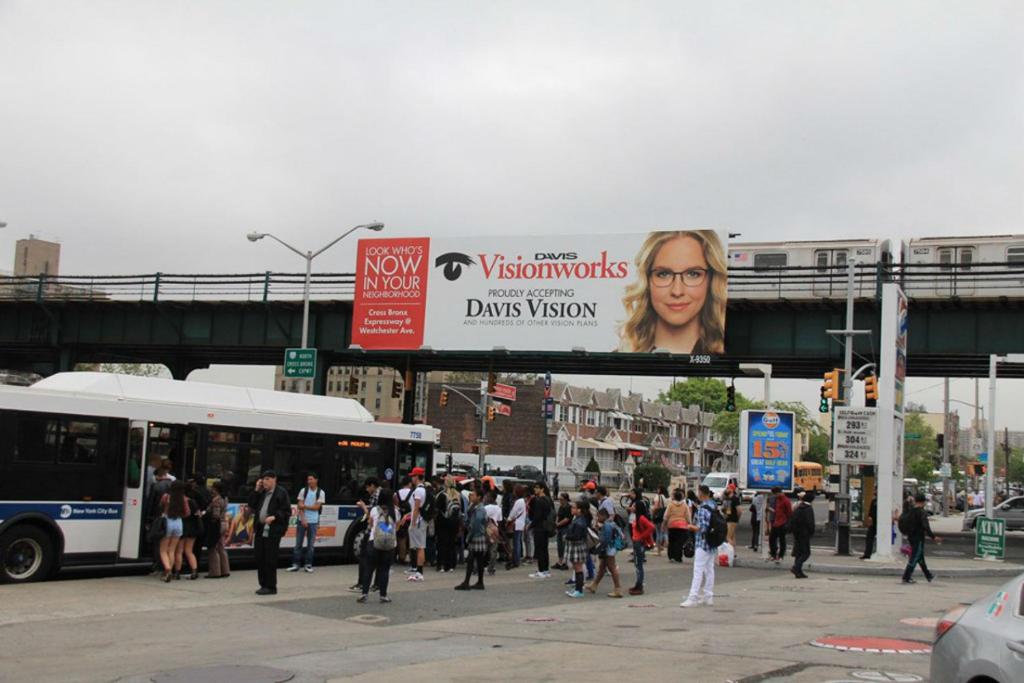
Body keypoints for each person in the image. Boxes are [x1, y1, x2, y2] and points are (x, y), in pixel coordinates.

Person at [618, 230, 728, 354]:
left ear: (712, 280)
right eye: (663, 274)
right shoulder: (617, 361)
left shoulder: (726, 360)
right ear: (646, 281)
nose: (677, 291)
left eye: (693, 274)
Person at [248, 470, 291, 595]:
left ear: (274, 479)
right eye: (263, 479)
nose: (264, 482)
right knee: (259, 557)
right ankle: (263, 584)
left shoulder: (281, 493)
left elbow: (286, 511)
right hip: (261, 528)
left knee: (270, 558)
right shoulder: (262, 492)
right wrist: (256, 490)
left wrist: (275, 517)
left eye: (267, 479)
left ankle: (271, 586)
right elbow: (251, 504)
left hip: (273, 530)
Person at [681, 485, 719, 608]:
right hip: (712, 543)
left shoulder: (703, 508)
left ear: (701, 493)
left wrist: (691, 527)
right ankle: (708, 597)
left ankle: (693, 597)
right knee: (709, 570)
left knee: (698, 571)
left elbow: (702, 528)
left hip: (702, 543)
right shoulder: (713, 505)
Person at [360, 488, 396, 603]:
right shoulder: (395, 511)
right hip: (390, 545)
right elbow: (396, 528)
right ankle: (383, 595)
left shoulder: (375, 510)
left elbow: (370, 524)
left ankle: (364, 594)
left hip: (374, 542)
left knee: (369, 568)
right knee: (384, 570)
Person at [288, 473, 325, 573]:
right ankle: (295, 564)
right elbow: (299, 505)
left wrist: (305, 506)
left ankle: (308, 564)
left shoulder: (321, 492)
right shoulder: (303, 491)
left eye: (311, 479)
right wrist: (303, 518)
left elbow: (317, 507)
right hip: (302, 520)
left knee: (310, 545)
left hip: (313, 521)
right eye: (308, 480)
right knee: (298, 543)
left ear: (316, 480)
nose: (309, 481)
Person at [902, 492, 941, 584]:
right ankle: (906, 577)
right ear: (923, 502)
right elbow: (926, 526)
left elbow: (904, 522)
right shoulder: (922, 512)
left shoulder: (910, 511)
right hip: (918, 538)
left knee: (920, 557)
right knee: (915, 557)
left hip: (910, 537)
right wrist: (933, 537)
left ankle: (929, 576)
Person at [454, 489, 489, 591]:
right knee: (479, 560)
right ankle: (479, 582)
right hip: (479, 536)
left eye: (473, 495)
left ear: (479, 497)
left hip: (476, 536)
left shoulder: (479, 509)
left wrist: (469, 536)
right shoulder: (475, 507)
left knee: (471, 560)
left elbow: (476, 525)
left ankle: (467, 582)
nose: (471, 497)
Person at [351, 477, 381, 593]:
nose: (367, 490)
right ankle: (377, 584)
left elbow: (372, 515)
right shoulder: (383, 493)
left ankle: (362, 583)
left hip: (372, 531)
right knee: (378, 559)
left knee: (364, 556)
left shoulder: (375, 496)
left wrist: (363, 506)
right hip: (381, 531)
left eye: (368, 487)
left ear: (372, 485)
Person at [586, 508, 624, 598]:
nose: (597, 518)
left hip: (609, 548)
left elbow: (605, 540)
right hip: (611, 547)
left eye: (598, 516)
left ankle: (618, 589)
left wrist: (597, 549)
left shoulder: (606, 526)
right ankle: (594, 585)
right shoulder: (610, 523)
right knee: (602, 567)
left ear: (603, 516)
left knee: (612, 568)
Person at [157, 480, 186, 582]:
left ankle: (167, 569)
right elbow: (186, 512)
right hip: (178, 523)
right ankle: (170, 572)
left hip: (167, 522)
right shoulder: (183, 498)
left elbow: (160, 506)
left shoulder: (166, 496)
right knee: (172, 550)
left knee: (163, 550)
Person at [628, 487, 654, 596]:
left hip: (638, 542)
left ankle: (639, 586)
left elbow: (651, 527)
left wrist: (641, 537)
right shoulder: (637, 517)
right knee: (637, 565)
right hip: (636, 542)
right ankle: (637, 584)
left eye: (634, 506)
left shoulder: (642, 518)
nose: (632, 507)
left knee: (639, 565)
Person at [404, 467, 428, 582]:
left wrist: (412, 522)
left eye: (413, 476)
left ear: (417, 477)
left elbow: (416, 508)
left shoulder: (418, 491)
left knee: (419, 547)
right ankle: (419, 571)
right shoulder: (423, 489)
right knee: (420, 546)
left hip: (418, 522)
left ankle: (419, 572)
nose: (411, 478)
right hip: (421, 521)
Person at [563, 499, 590, 598]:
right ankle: (577, 589)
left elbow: (577, 536)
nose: (571, 509)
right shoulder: (578, 519)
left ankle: (579, 590)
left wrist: (566, 536)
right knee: (577, 568)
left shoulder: (579, 521)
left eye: (574, 507)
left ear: (579, 510)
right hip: (576, 546)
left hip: (577, 546)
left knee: (578, 569)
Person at [205, 481, 230, 579]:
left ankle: (215, 572)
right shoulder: (225, 498)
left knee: (213, 548)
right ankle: (225, 570)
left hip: (217, 525)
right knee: (221, 547)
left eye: (212, 487)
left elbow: (215, 515)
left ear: (215, 489)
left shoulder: (215, 501)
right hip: (224, 523)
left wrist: (206, 514)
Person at [528, 481, 554, 579]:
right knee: (544, 549)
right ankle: (546, 570)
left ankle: (541, 570)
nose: (535, 489)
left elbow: (537, 516)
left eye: (537, 487)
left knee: (540, 549)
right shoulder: (548, 499)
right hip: (546, 527)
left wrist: (530, 525)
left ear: (542, 489)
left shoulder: (539, 500)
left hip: (540, 527)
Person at [435, 480, 461, 573]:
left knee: (442, 544)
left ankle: (441, 565)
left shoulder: (442, 495)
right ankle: (451, 565)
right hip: (454, 523)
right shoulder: (458, 495)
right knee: (451, 544)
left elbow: (437, 510)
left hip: (443, 522)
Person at [790, 491, 816, 579]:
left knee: (798, 552)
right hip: (804, 534)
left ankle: (798, 571)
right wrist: (811, 532)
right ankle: (796, 567)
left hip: (796, 533)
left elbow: (792, 520)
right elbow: (810, 522)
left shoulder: (798, 508)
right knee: (806, 553)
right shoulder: (808, 508)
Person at [665, 488, 691, 562]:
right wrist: (689, 523)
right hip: (682, 526)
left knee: (672, 541)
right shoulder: (685, 505)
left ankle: (671, 556)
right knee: (679, 542)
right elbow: (688, 516)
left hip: (672, 525)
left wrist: (664, 524)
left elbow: (666, 515)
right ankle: (678, 557)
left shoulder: (670, 505)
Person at [769, 487, 792, 564]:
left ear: (778, 493)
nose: (775, 496)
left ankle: (781, 555)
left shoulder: (786, 501)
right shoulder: (777, 500)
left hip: (783, 523)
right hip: (776, 522)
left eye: (775, 494)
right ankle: (774, 554)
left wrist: (788, 523)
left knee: (782, 540)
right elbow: (777, 511)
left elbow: (789, 513)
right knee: (772, 539)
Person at [506, 485, 527, 569]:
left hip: (516, 524)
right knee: (517, 542)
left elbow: (513, 512)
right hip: (520, 523)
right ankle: (517, 560)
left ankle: (516, 560)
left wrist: (508, 519)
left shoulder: (518, 501)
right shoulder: (522, 501)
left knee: (516, 543)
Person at [484, 490, 503, 575]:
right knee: (493, 549)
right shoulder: (499, 508)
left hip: (486, 529)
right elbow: (500, 520)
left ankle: (478, 567)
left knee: (483, 548)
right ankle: (491, 568)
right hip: (495, 529)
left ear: (491, 498)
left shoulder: (485, 508)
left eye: (488, 496)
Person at [860, 495, 878, 560]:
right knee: (869, 538)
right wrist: (869, 518)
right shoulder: (874, 501)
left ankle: (870, 553)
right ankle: (867, 554)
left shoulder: (884, 500)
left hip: (881, 524)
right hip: (873, 523)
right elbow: (870, 512)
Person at [652, 486, 668, 555]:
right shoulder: (665, 497)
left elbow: (655, 507)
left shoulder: (657, 497)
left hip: (657, 516)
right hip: (663, 515)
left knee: (658, 532)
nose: (657, 490)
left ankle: (659, 550)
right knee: (663, 532)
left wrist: (652, 512)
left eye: (658, 489)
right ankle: (665, 543)